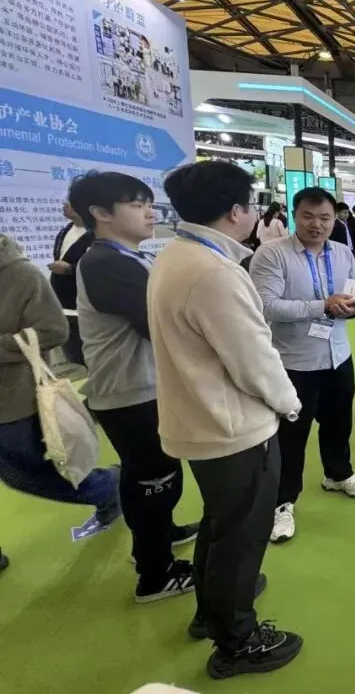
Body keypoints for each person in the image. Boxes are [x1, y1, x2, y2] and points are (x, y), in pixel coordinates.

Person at [149, 161, 304, 679]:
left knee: (221, 524)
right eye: (252, 204)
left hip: (203, 421)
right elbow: (253, 357)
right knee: (242, 536)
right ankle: (237, 641)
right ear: (236, 211)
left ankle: (211, 608)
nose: (256, 213)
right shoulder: (215, 272)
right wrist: (289, 402)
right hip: (234, 428)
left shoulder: (177, 255)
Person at [70, 172, 198, 603]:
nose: (149, 212)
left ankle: (159, 538)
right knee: (154, 479)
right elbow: (158, 325)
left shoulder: (123, 257)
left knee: (148, 475)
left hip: (138, 389)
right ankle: (155, 574)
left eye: (148, 203)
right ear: (100, 213)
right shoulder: (108, 263)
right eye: (136, 205)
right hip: (131, 393)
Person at [250, 187, 355, 545]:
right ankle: (282, 502)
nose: (316, 225)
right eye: (308, 216)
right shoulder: (273, 254)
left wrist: (354, 307)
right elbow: (266, 305)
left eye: (325, 218)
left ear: (334, 219)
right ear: (294, 215)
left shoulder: (344, 252)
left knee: (339, 422)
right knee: (291, 436)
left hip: (338, 356)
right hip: (294, 363)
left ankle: (338, 474)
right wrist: (323, 305)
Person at [0, 233, 120, 535]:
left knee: (24, 473)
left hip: (13, 400)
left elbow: (54, 330)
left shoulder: (20, 274)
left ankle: (108, 487)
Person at [48, 201, 93, 365]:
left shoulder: (96, 235)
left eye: (71, 201)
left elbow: (98, 270)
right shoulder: (65, 231)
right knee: (73, 356)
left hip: (84, 307)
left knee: (90, 357)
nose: (65, 204)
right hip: (64, 307)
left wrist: (69, 270)